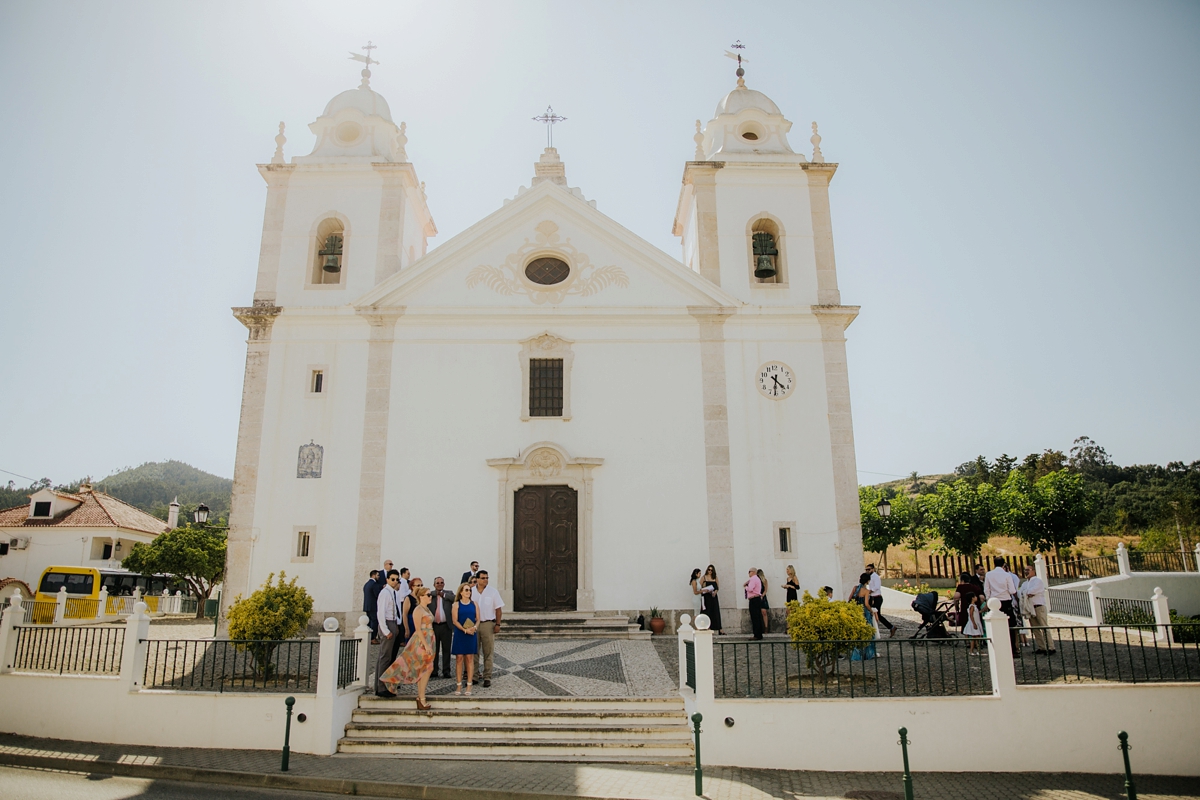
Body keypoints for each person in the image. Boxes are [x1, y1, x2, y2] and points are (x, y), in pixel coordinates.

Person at [380, 586, 435, 710]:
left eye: (430, 594)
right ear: (421, 597)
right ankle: (421, 698)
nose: (430, 596)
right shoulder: (418, 610)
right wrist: (425, 645)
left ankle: (421, 697)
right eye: (428, 595)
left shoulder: (427, 609)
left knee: (426, 668)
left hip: (430, 638)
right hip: (421, 641)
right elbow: (418, 629)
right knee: (428, 667)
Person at [472, 570, 504, 687]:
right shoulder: (471, 591)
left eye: (487, 578)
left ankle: (487, 677)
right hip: (474, 624)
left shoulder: (493, 592)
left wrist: (498, 624)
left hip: (487, 624)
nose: (485, 580)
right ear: (477, 579)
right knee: (474, 651)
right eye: (483, 578)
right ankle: (474, 676)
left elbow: (498, 609)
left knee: (488, 652)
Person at [374, 569, 403, 697]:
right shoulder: (385, 593)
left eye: (397, 579)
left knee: (389, 656)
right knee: (385, 657)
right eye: (393, 579)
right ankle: (381, 687)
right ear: (387, 579)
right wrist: (386, 630)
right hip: (387, 624)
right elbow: (381, 613)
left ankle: (384, 684)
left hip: (393, 623)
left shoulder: (393, 593)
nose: (395, 581)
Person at [984, 557, 1020, 656]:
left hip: (994, 601)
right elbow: (1012, 590)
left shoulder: (989, 574)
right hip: (1006, 601)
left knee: (995, 624)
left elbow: (987, 589)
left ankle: (998, 650)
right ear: (1003, 564)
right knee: (1010, 626)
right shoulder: (1007, 575)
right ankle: (1013, 649)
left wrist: (988, 599)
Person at [451, 582, 478, 695]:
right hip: (460, 633)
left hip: (471, 633)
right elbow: (455, 620)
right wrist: (464, 630)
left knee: (470, 658)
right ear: (461, 592)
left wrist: (474, 627)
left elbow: (478, 618)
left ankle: (469, 685)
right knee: (459, 659)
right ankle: (458, 684)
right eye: (466, 590)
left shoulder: (474, 604)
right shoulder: (456, 605)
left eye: (469, 590)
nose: (469, 592)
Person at [1021, 565, 1054, 654]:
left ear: (1033, 571)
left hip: (1039, 607)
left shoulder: (1038, 581)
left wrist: (1027, 593)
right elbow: (1022, 593)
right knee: (1035, 628)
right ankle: (1041, 647)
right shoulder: (1025, 583)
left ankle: (1050, 647)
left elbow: (1032, 591)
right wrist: (1027, 593)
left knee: (1044, 627)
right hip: (1030, 608)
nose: (1026, 572)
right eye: (1025, 570)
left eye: (1028, 570)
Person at [850, 572, 879, 661]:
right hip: (864, 613)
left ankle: (856, 655)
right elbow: (866, 603)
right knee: (869, 633)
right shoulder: (866, 591)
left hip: (856, 612)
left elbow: (850, 599)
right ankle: (868, 654)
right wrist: (871, 611)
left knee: (857, 634)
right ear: (867, 581)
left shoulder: (855, 588)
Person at [429, 577, 454, 678]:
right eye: (437, 583)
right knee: (434, 649)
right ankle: (434, 670)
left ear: (444, 584)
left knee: (446, 649)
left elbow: (454, 598)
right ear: (434, 585)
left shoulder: (449, 593)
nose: (439, 584)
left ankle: (446, 670)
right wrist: (436, 593)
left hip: (445, 626)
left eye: (441, 583)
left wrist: (443, 595)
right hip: (434, 626)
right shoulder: (431, 595)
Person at [865, 564, 896, 638]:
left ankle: (891, 627)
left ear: (873, 569)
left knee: (877, 614)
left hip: (877, 598)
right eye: (866, 570)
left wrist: (869, 591)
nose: (867, 571)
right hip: (872, 597)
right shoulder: (870, 577)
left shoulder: (875, 577)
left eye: (869, 569)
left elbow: (877, 587)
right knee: (869, 613)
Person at [400, 576, 424, 645]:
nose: (420, 587)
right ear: (412, 586)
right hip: (411, 623)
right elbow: (404, 614)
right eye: (418, 585)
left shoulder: (422, 598)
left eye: (421, 585)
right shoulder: (408, 598)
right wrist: (406, 628)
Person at [701, 565, 723, 634]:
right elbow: (700, 587)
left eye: (711, 570)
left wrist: (715, 592)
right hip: (706, 597)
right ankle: (707, 626)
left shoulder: (715, 578)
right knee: (707, 611)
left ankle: (719, 628)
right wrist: (706, 589)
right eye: (709, 570)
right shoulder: (704, 577)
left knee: (715, 611)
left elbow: (717, 587)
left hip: (713, 597)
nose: (710, 571)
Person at [744, 568, 764, 640]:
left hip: (754, 599)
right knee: (757, 617)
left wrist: (746, 587)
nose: (748, 573)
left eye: (749, 572)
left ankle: (757, 635)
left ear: (753, 572)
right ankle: (759, 634)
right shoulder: (757, 579)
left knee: (754, 617)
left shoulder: (753, 579)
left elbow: (750, 589)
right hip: (757, 599)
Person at [362, 569, 381, 643]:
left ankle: (369, 637)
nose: (379, 577)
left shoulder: (366, 584)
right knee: (374, 621)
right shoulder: (374, 584)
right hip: (373, 606)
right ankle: (373, 637)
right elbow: (377, 595)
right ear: (373, 575)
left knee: (369, 622)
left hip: (367, 606)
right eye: (378, 575)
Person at [756, 569, 771, 633]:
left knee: (764, 612)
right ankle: (759, 627)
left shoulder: (764, 581)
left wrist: (762, 595)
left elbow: (765, 590)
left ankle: (766, 627)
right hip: (756, 596)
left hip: (762, 597)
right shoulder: (756, 581)